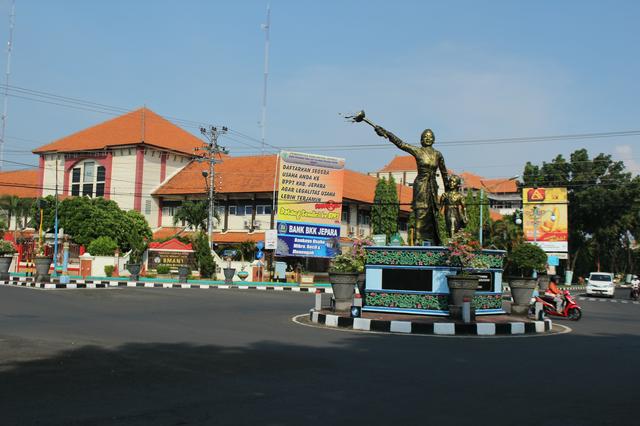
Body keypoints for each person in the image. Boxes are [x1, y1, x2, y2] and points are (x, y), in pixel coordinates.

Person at [372, 126, 449, 245]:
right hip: (421, 184)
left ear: (433, 139)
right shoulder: (418, 151)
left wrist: (448, 190)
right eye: (425, 137)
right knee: (420, 211)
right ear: (421, 140)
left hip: (432, 187)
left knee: (432, 213)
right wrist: (386, 133)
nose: (428, 138)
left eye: (430, 137)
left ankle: (433, 240)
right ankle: (418, 239)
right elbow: (401, 144)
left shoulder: (438, 155)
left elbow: (444, 173)